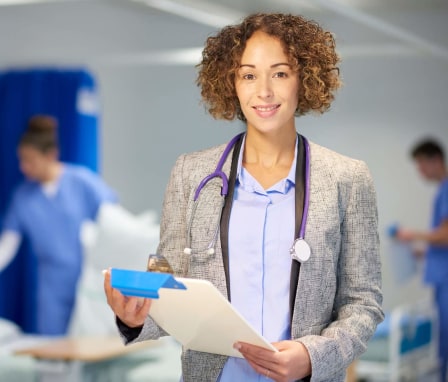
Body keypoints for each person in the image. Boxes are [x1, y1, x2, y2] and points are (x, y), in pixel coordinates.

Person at [103, 13, 383, 382]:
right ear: (231, 83)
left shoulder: (347, 179)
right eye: (248, 75)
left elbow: (363, 303)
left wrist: (312, 356)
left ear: (305, 79)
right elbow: (171, 290)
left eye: (280, 73)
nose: (263, 91)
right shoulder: (191, 174)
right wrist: (136, 317)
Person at [0, 114, 117, 336]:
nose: (24, 167)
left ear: (51, 155)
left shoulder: (81, 181)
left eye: (30, 160)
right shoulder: (23, 197)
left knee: (90, 344)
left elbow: (114, 222)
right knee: (53, 348)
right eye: (21, 160)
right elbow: (7, 246)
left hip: (88, 279)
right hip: (51, 286)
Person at [395, 139, 448, 382]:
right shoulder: (441, 191)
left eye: (421, 165)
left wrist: (411, 233)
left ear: (435, 160)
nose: (420, 171)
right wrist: (424, 251)